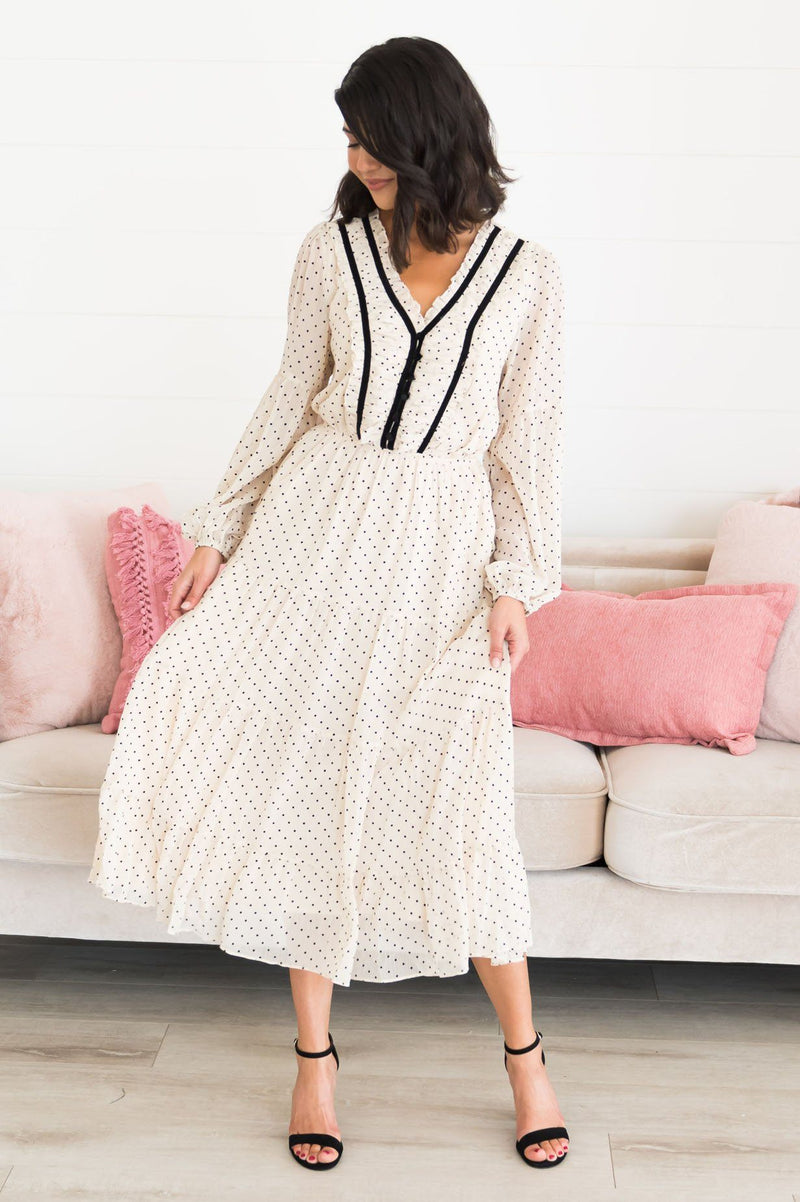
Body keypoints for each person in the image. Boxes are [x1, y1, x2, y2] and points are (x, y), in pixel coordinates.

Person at [87, 35, 569, 1172]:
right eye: (348, 137)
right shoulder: (330, 252)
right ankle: (314, 1059)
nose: (354, 156)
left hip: (439, 558)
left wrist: (517, 583)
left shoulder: (527, 274)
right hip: (314, 534)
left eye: (370, 135)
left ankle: (527, 1057)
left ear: (426, 133)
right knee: (301, 783)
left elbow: (529, 446)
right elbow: (286, 396)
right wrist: (217, 529)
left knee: (460, 807)